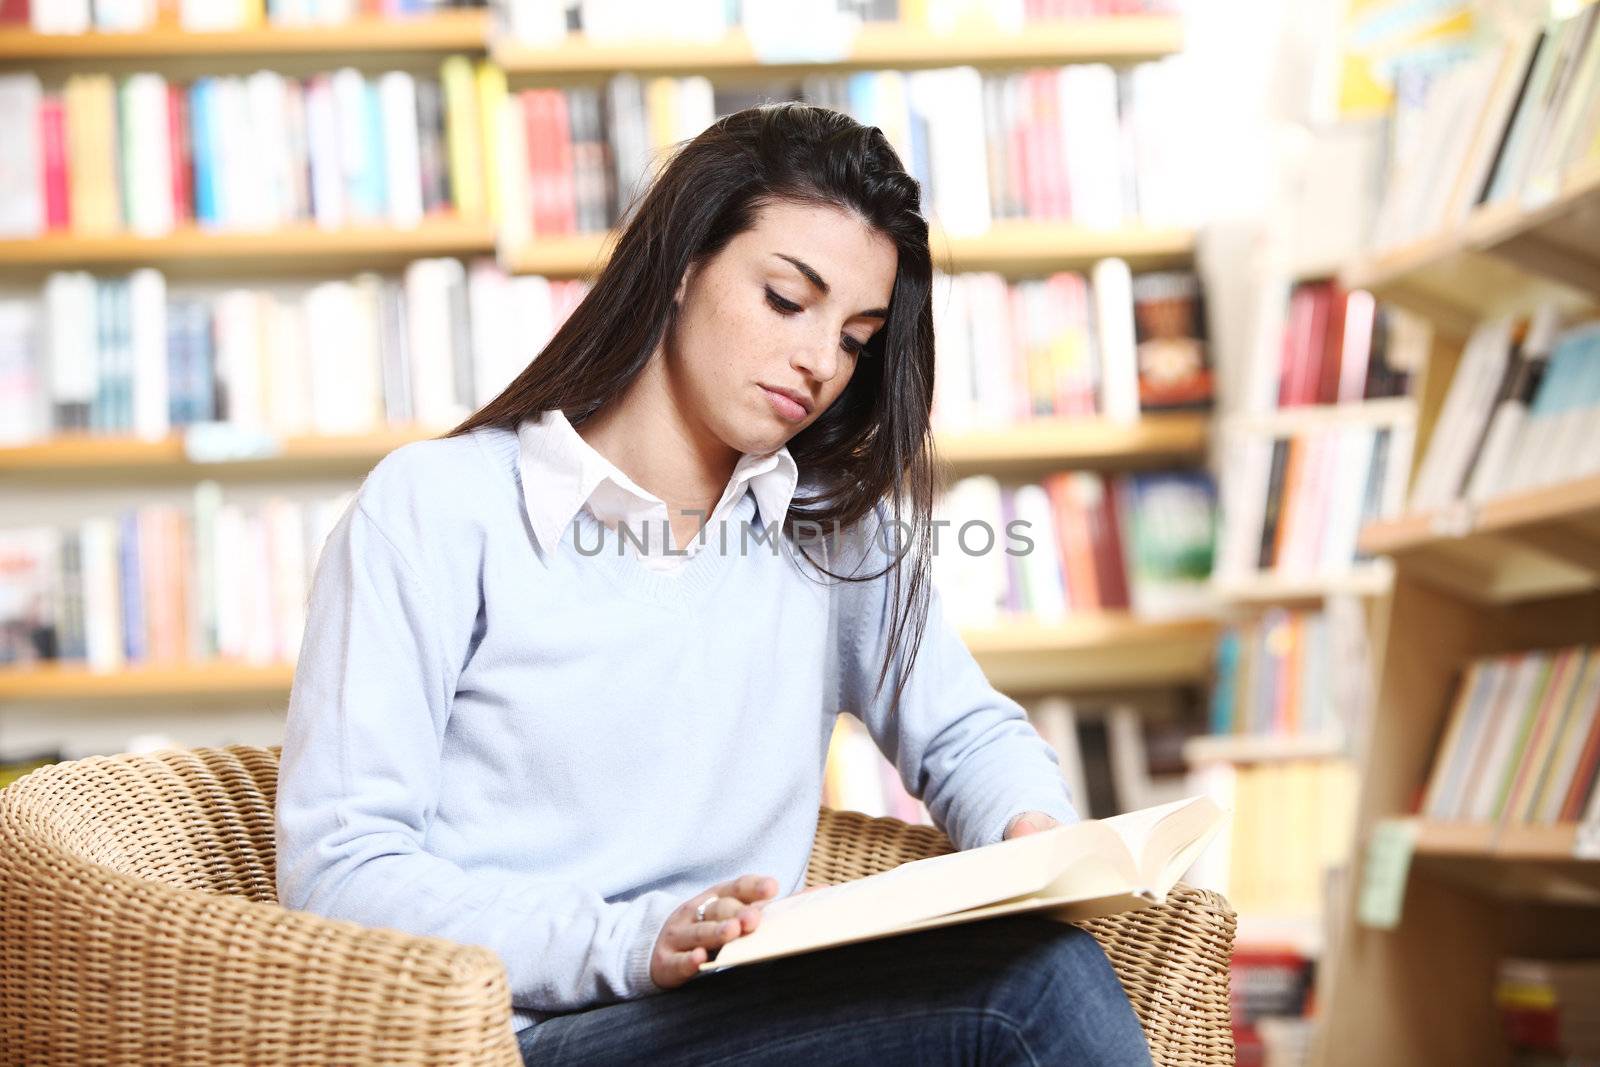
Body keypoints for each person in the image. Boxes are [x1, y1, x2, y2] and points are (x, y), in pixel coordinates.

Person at [274, 102, 1153, 1066]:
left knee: (1045, 955)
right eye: (787, 300)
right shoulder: (440, 507)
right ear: (685, 263)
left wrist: (1034, 832)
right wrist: (630, 941)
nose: (821, 362)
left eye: (856, 338)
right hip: (515, 1034)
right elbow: (341, 871)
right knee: (1032, 995)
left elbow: (965, 731)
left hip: (741, 1009)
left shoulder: (832, 530)